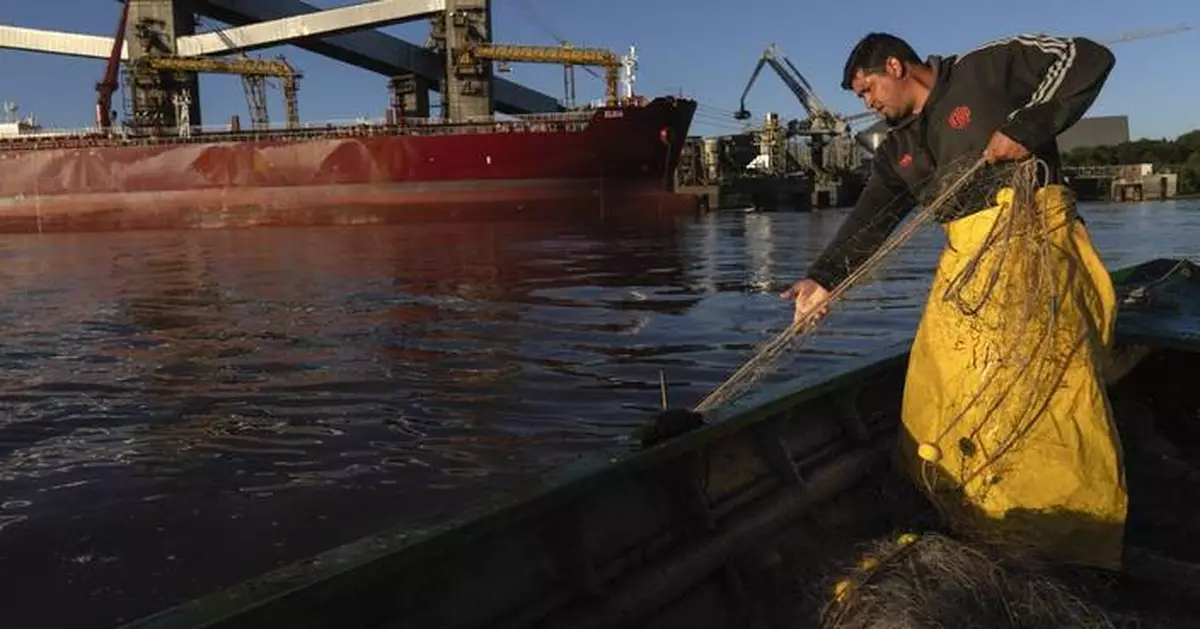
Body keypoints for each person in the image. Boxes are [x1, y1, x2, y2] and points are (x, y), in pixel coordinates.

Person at [780, 32, 1126, 570]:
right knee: (934, 387)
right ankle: (967, 517)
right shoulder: (897, 147)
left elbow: (1086, 55)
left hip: (1033, 248)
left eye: (869, 89)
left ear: (895, 66)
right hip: (967, 268)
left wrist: (1028, 125)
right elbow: (871, 217)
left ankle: (1068, 540)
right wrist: (824, 278)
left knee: (1048, 394)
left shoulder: (985, 68)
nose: (868, 103)